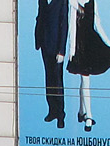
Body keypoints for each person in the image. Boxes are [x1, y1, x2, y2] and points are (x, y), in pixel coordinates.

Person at [66, 0, 110, 131]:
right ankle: (89, 116)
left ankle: (81, 111)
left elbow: (97, 24)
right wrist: (72, 50)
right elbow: (71, 27)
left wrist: (108, 42)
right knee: (85, 80)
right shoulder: (73, 4)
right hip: (80, 46)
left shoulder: (93, 2)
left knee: (84, 80)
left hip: (91, 45)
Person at [34, 0, 70, 129]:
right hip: (44, 44)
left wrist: (62, 50)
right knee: (48, 79)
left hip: (56, 47)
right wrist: (38, 40)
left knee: (57, 80)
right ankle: (52, 111)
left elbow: (64, 25)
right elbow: (40, 17)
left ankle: (60, 114)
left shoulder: (62, 1)